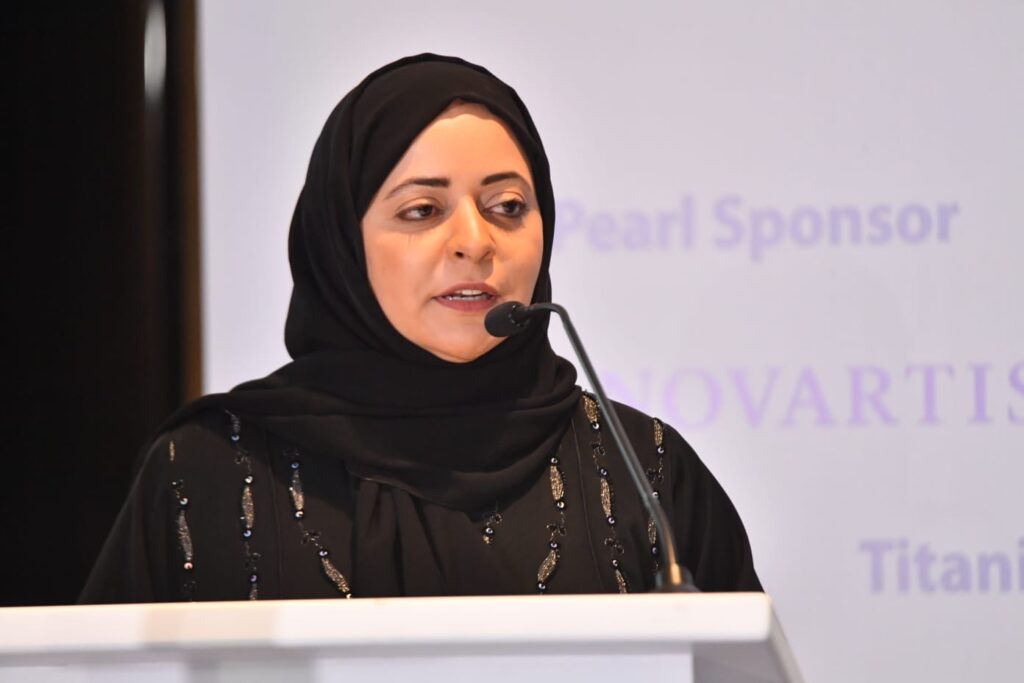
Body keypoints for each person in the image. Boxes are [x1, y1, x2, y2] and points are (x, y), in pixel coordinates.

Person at [80, 53, 761, 603]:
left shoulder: (645, 472)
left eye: (507, 206)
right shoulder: (206, 474)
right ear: (342, 244)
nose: (475, 241)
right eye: (422, 211)